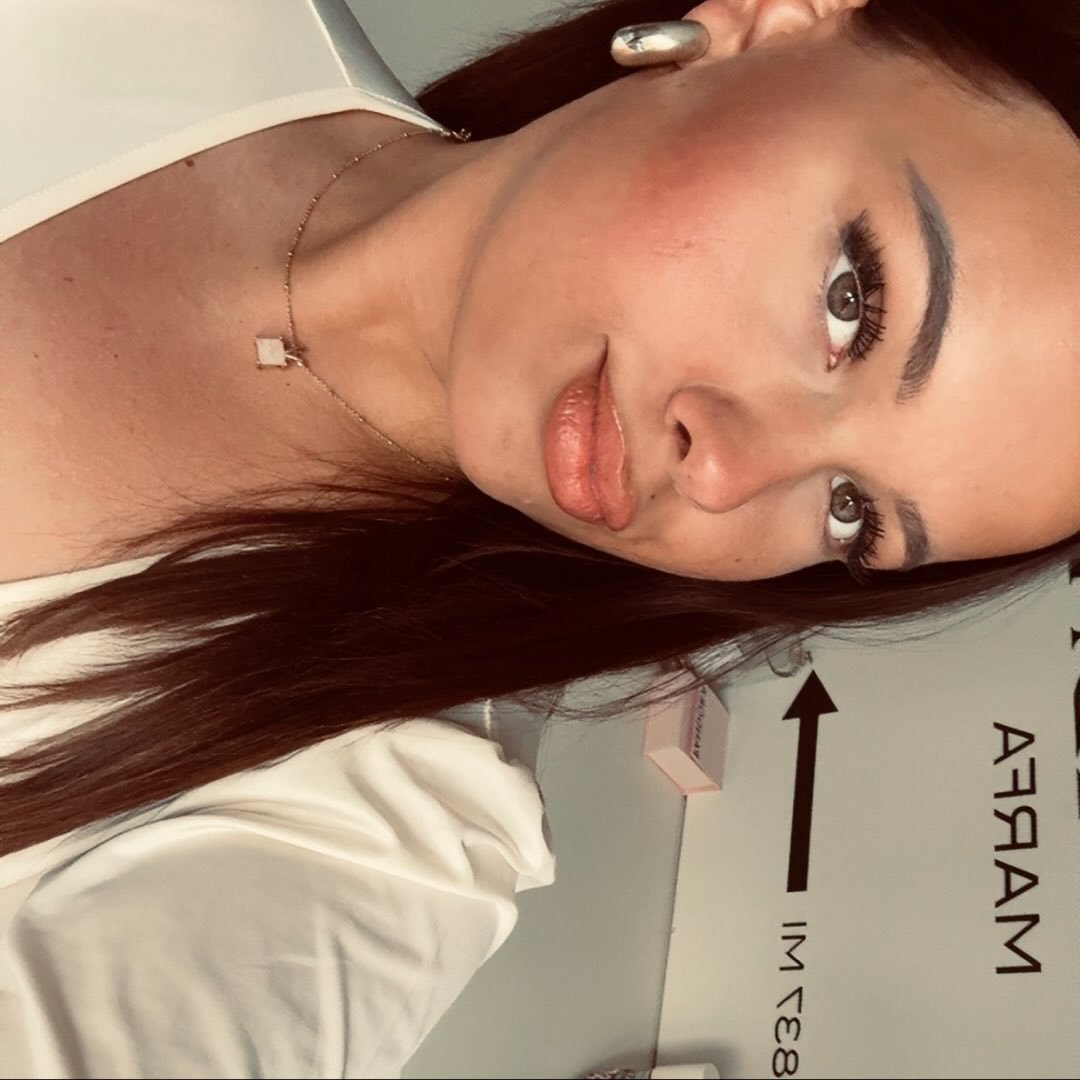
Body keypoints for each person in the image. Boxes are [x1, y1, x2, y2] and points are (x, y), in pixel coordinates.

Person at [0, 0, 1076, 1075]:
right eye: (851, 302)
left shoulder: (388, 824)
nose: (724, 474)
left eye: (851, 512)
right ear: (766, 23)